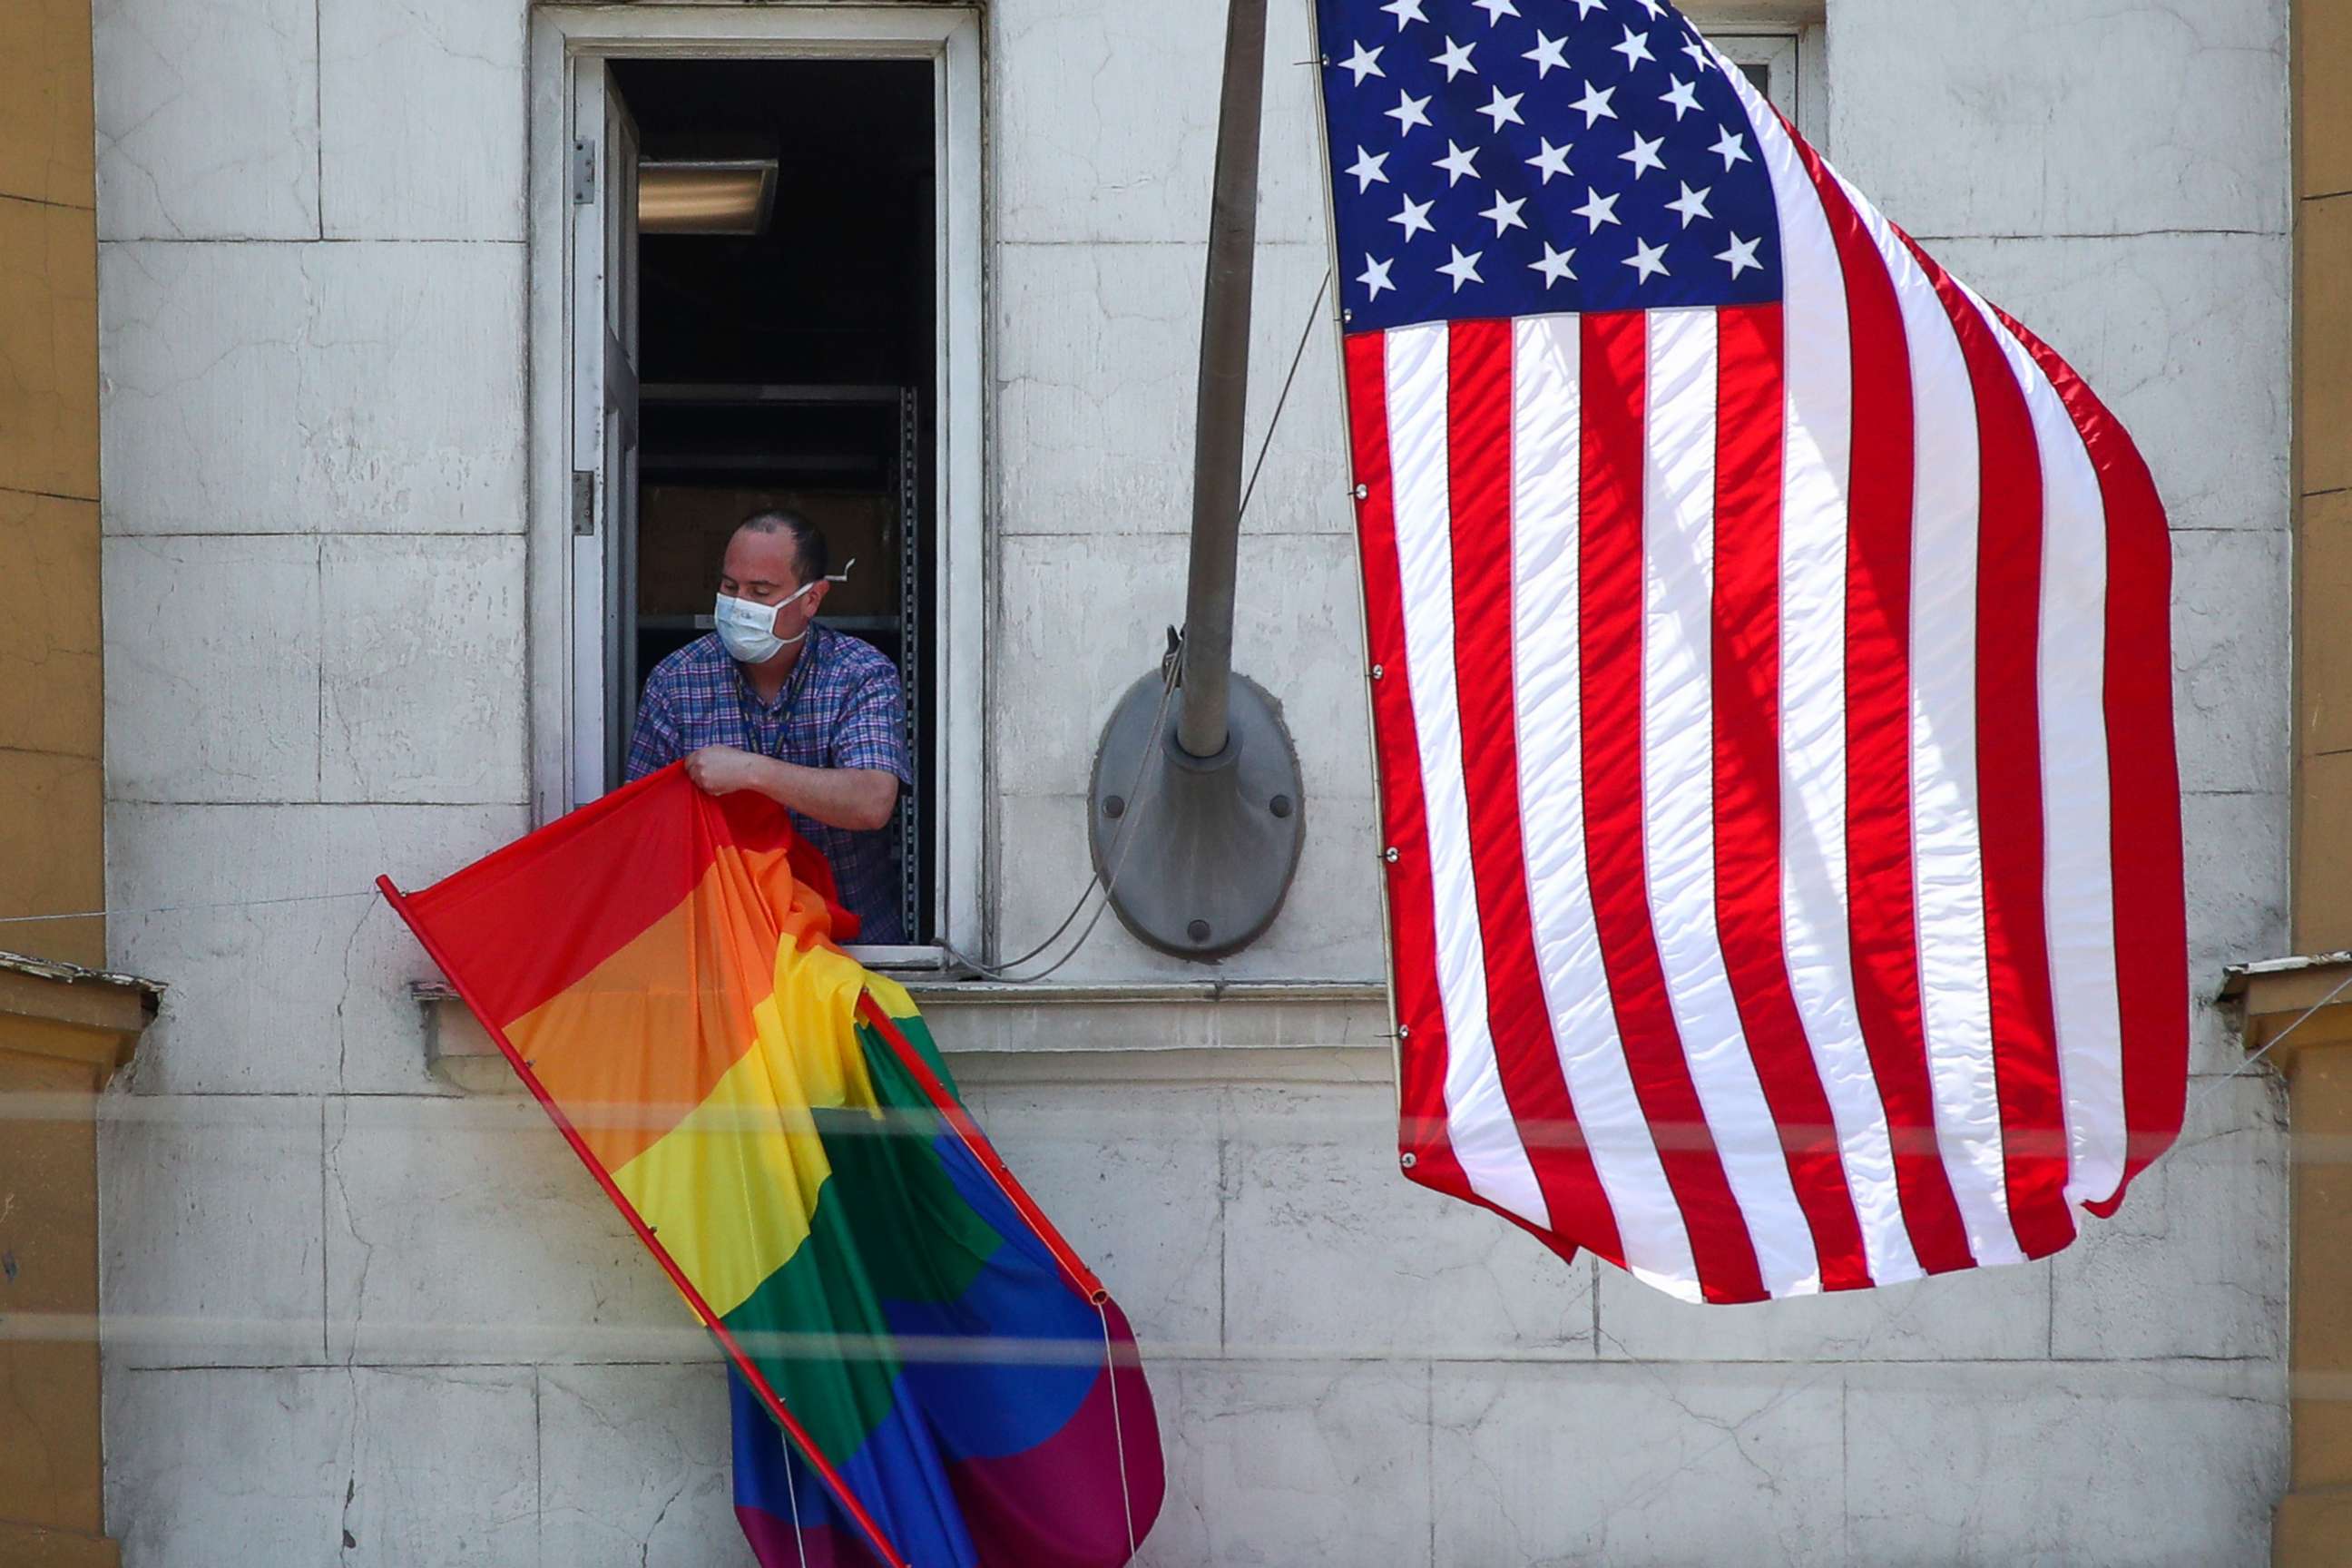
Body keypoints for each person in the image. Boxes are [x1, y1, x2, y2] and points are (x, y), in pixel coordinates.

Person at [625, 509, 913, 943]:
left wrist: (750, 773)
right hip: (726, 954)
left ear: (812, 599)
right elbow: (640, 836)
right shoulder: (678, 679)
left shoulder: (861, 673)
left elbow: (872, 802)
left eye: (760, 592)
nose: (740, 605)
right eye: (729, 587)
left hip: (852, 952)